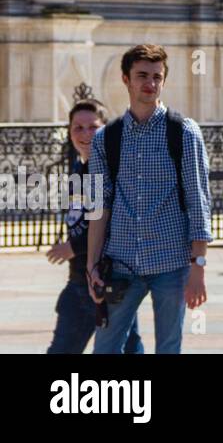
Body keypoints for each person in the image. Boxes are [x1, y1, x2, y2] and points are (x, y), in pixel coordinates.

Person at [87, 45, 213, 354]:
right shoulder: (106, 138)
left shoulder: (183, 131)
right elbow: (98, 207)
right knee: (105, 348)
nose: (150, 83)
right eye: (142, 75)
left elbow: (198, 199)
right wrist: (91, 266)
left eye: (157, 77)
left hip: (171, 263)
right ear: (125, 79)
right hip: (121, 263)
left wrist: (199, 265)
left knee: (168, 348)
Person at [46, 99, 144, 354]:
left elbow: (118, 221)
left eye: (93, 127)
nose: (85, 134)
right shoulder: (79, 168)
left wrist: (74, 247)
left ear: (104, 129)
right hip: (82, 280)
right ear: (69, 132)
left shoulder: (114, 170)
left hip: (109, 279)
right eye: (78, 128)